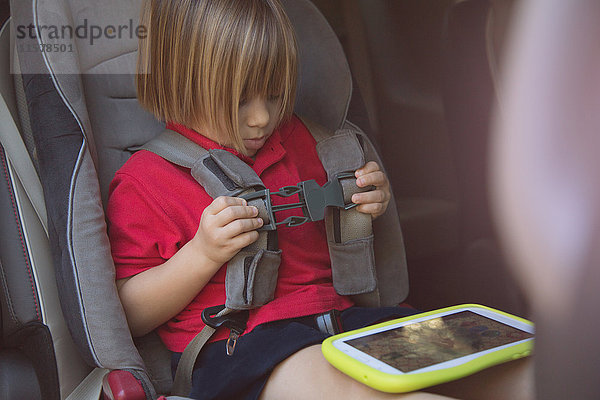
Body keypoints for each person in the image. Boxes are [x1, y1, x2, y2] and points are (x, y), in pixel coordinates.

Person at [107, 0, 533, 399]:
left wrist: (369, 201)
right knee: (355, 391)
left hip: (348, 323)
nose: (261, 118)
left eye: (274, 96)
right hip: (244, 348)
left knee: (511, 365)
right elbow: (130, 312)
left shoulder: (311, 142)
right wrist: (201, 254)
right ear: (180, 83)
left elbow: (348, 223)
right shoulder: (147, 181)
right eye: (239, 101)